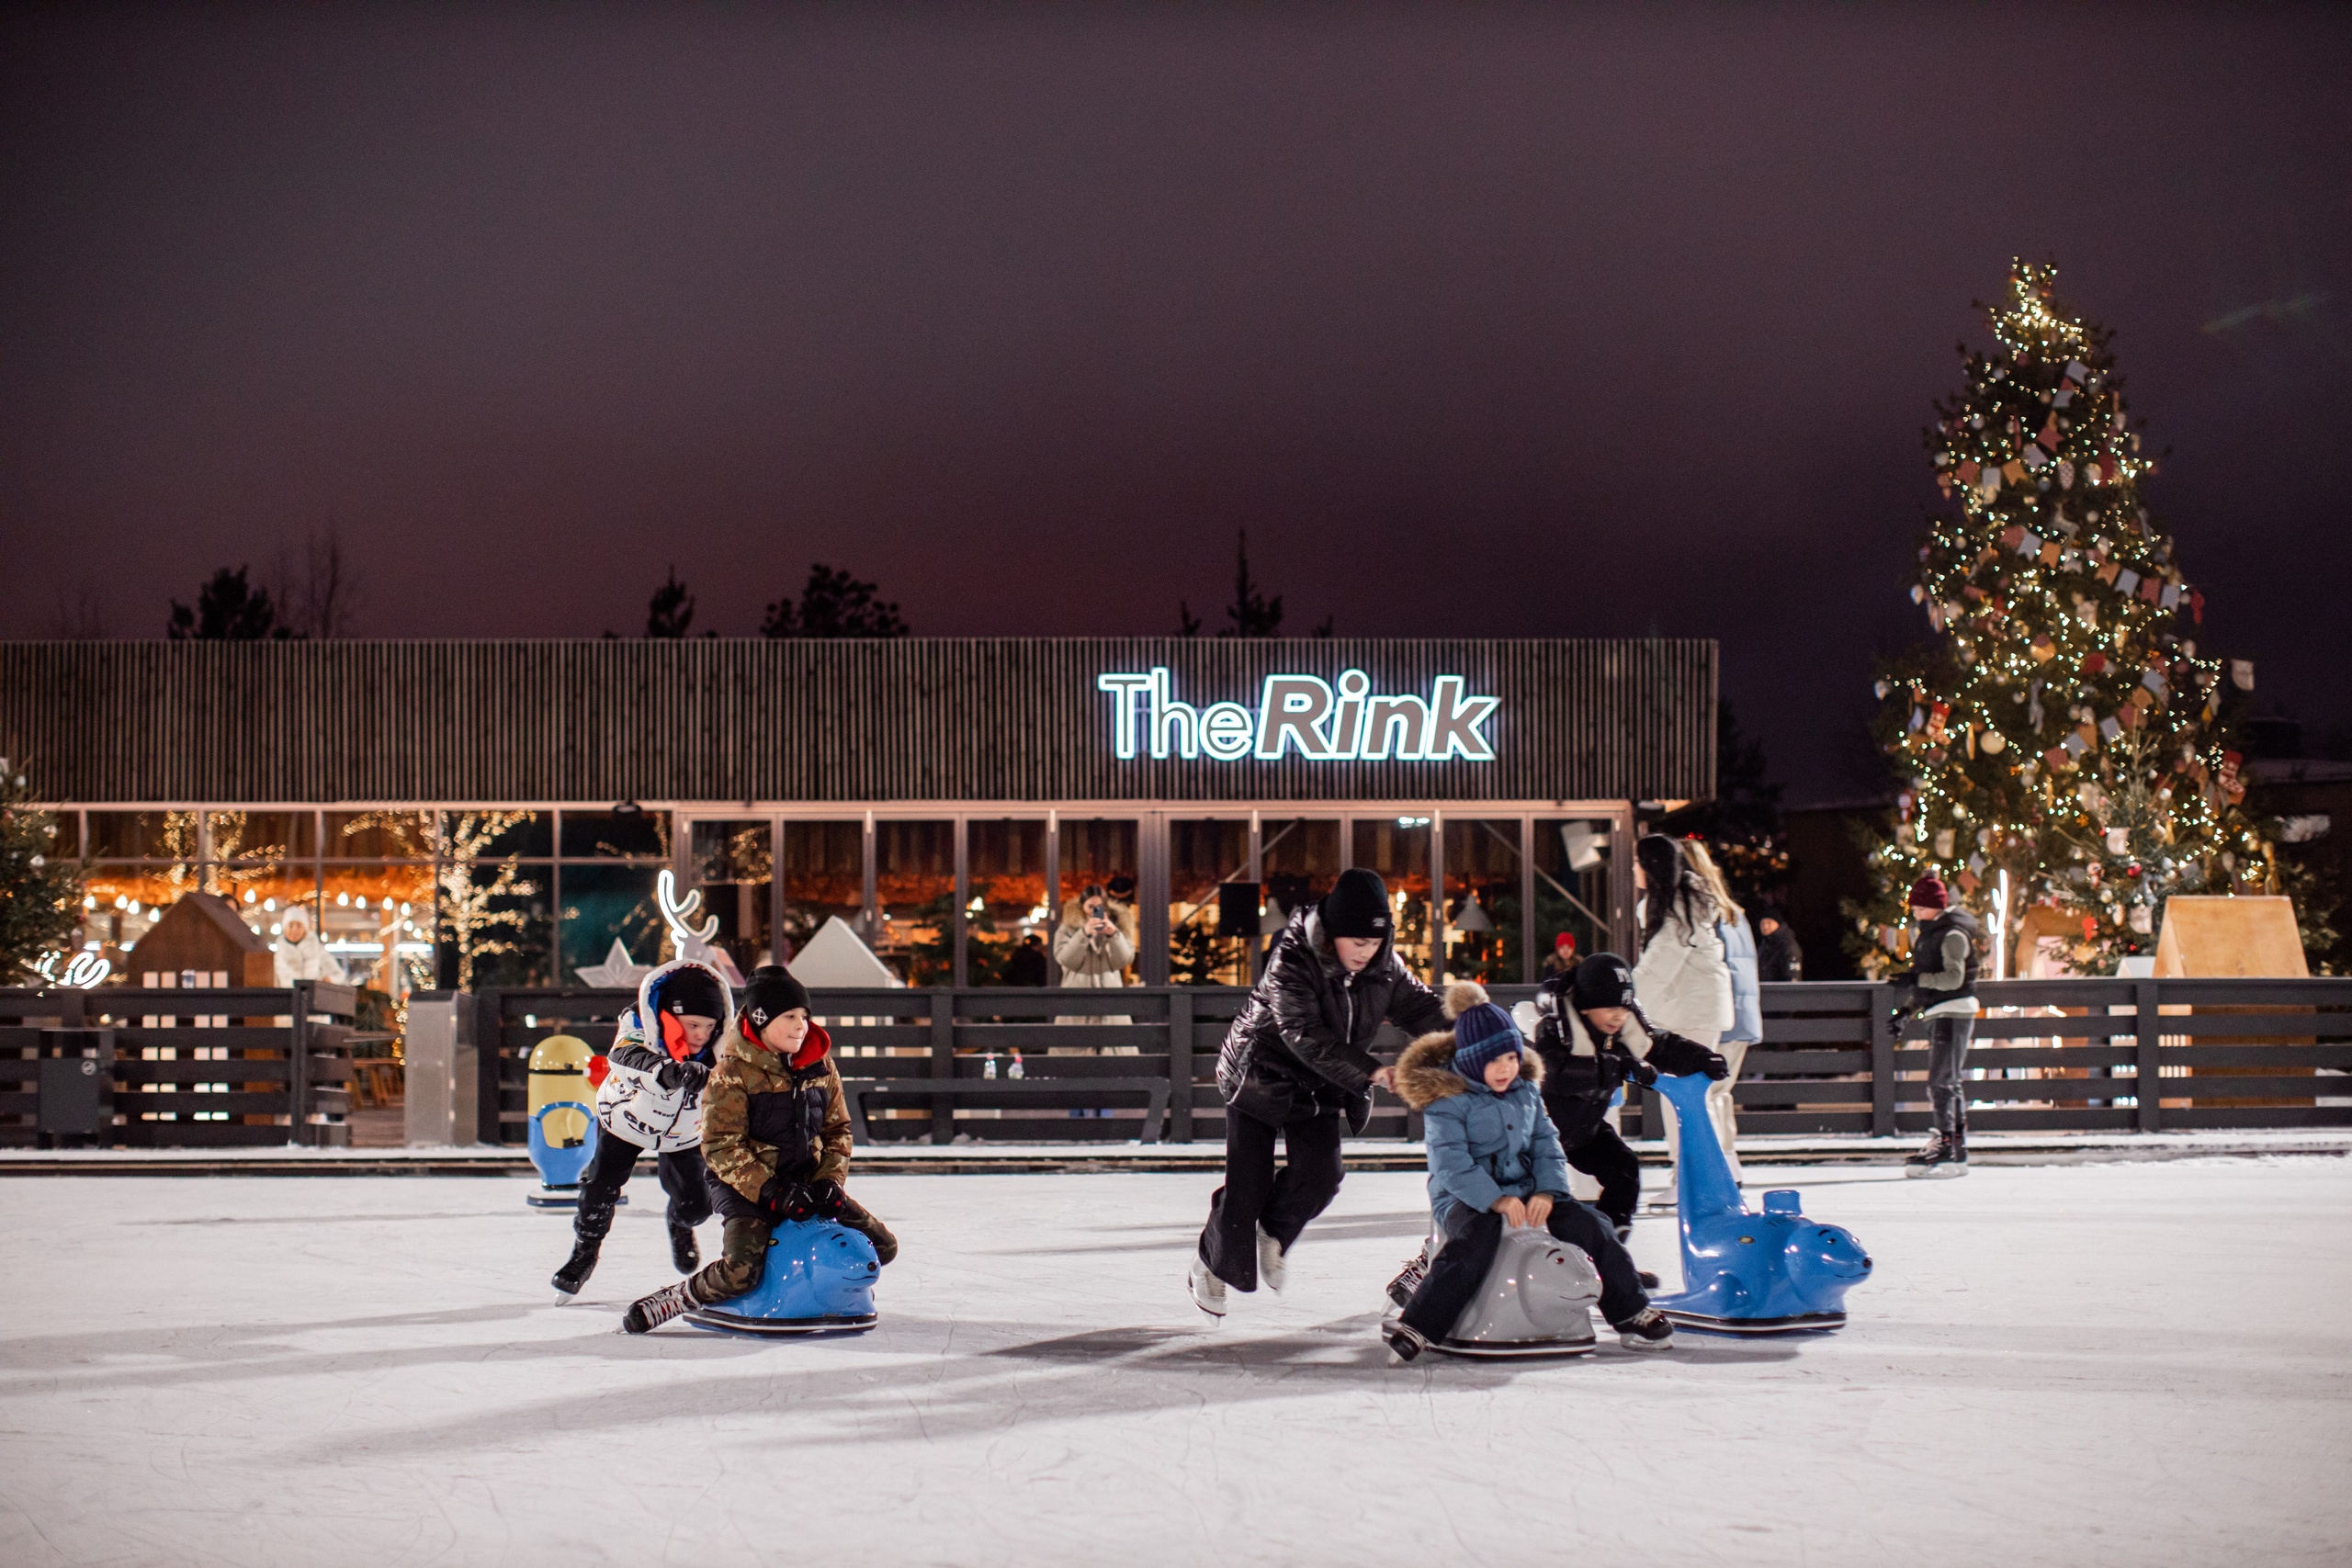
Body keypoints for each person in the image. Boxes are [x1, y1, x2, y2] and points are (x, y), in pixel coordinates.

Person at [1191, 866, 1447, 1316]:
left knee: (1321, 1177)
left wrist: (1480, 1035)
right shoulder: (1292, 959)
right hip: (1259, 1076)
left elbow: (1424, 1010)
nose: (1366, 953)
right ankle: (1209, 1266)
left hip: (1324, 1080)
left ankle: (1270, 1232)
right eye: (1357, 942)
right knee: (1248, 1187)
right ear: (1332, 932)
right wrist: (1372, 1072)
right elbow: (1301, 1032)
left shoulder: (1386, 967)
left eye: (1374, 942)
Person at [1382, 981, 1677, 1360]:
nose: (1506, 1068)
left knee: (1595, 1226)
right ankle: (1421, 1325)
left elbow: (1546, 1145)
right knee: (1476, 1239)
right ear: (1471, 1059)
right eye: (1495, 1060)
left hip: (1527, 1190)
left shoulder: (1525, 1092)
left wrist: (1547, 1191)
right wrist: (1497, 1200)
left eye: (1511, 1057)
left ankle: (1631, 1312)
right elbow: (1451, 1166)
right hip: (1463, 1198)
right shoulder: (1447, 1101)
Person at [622, 964, 899, 1333]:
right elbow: (721, 1146)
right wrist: (770, 1191)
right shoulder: (732, 1073)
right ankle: (681, 1297)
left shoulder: (820, 1064)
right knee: (741, 1272)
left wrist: (829, 1180)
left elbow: (838, 1130)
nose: (801, 1025)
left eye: (804, 1015)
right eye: (790, 1016)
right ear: (762, 1020)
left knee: (883, 1247)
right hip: (745, 1187)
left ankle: (831, 1291)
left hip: (806, 1182)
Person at [1506, 953, 1730, 1240]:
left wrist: (1702, 1058)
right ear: (1586, 1006)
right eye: (1610, 1007)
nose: (1619, 1016)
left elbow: (1661, 1047)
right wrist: (1617, 1067)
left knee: (1624, 1169)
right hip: (1539, 1136)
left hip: (1585, 1133)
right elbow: (1555, 1073)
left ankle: (1610, 1247)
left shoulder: (1622, 1032)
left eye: (1624, 1008)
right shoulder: (1555, 1029)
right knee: (1541, 1201)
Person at [550, 956, 727, 1299]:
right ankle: (584, 1253)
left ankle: (679, 1221)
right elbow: (625, 1055)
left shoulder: (722, 1042)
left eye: (708, 1026)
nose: (701, 1035)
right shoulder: (639, 1021)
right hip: (626, 1117)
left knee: (697, 1206)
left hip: (682, 1131)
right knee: (600, 1188)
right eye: (693, 1025)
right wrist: (668, 1071)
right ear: (671, 1016)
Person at [1630, 834, 1732, 1169]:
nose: (1633, 868)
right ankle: (1698, 1175)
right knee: (1689, 1097)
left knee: (1686, 1098)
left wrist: (1621, 997)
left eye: (1637, 862)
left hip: (1692, 1014)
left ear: (1651, 867)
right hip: (1692, 1011)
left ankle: (1695, 1177)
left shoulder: (1679, 911)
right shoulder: (1680, 905)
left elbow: (1658, 967)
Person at [1680, 840, 1760, 1183]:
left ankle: (1716, 1170)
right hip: (1743, 1013)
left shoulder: (1702, 909)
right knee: (1721, 1092)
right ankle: (1730, 1160)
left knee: (1707, 1093)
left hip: (1718, 1012)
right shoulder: (1735, 912)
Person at [1895, 875, 1983, 1177]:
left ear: (1934, 907)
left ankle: (1946, 1145)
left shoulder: (1952, 934)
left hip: (1952, 1012)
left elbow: (1952, 979)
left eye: (1919, 908)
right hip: (1940, 1011)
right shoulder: (1933, 932)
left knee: (1941, 1081)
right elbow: (1928, 979)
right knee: (1949, 1081)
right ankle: (1956, 1149)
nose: (1915, 913)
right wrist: (1906, 1011)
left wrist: (1916, 980)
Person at [1053, 883, 1136, 1031]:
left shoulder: (1117, 927)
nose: (1095, 911)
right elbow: (1066, 960)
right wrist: (1083, 934)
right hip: (1076, 1003)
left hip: (1110, 1004)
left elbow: (1124, 960)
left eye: (1100, 906)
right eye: (1090, 906)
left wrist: (1113, 934)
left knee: (1113, 1048)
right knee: (1077, 1048)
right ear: (1082, 907)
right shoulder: (1067, 929)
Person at [272, 905, 346, 986]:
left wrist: (328, 980)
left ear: (305, 928)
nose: (294, 930)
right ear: (284, 928)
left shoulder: (318, 951)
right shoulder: (277, 956)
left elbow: (338, 975)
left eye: (299, 925)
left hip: (314, 997)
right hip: (287, 997)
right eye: (290, 925)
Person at [1756, 903, 1803, 983]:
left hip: (1781, 992)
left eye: (1769, 923)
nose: (1765, 927)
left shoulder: (1788, 946)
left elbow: (1794, 979)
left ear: (1778, 924)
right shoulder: (1763, 945)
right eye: (1762, 923)